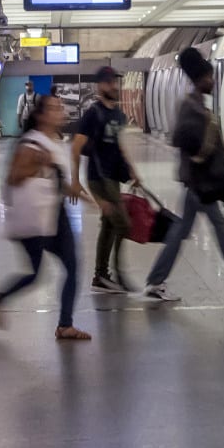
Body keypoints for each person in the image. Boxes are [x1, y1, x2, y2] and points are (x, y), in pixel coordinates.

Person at [145, 48, 224, 303]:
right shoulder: (191, 106)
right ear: (200, 79)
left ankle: (156, 280)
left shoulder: (196, 104)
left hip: (197, 183)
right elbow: (183, 138)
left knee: (181, 231)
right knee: (220, 230)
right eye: (210, 77)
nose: (213, 82)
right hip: (199, 184)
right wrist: (205, 159)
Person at [0, 93, 91, 341]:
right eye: (55, 108)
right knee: (35, 275)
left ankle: (65, 324)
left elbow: (56, 177)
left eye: (60, 107)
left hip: (56, 213)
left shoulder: (58, 140)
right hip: (36, 216)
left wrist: (88, 198)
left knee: (73, 267)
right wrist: (38, 163)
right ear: (42, 115)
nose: (61, 111)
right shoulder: (30, 143)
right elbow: (13, 177)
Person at [69, 66, 142, 292]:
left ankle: (101, 275)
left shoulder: (119, 115)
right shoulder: (93, 114)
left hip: (114, 176)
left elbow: (118, 145)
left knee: (110, 224)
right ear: (100, 86)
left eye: (115, 82)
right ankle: (116, 273)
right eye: (109, 82)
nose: (114, 86)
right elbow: (76, 147)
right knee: (123, 224)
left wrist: (131, 171)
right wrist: (75, 180)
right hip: (99, 178)